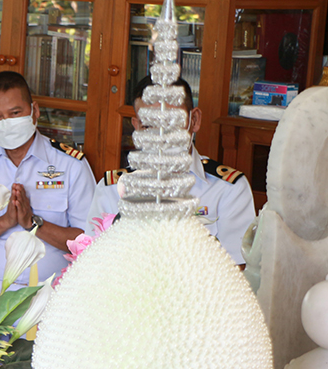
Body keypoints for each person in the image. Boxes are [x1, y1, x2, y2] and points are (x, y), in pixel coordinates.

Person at [0, 71, 96, 292]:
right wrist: (4, 222)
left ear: (34, 111)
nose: (7, 123)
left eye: (15, 113)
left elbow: (89, 241)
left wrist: (33, 222)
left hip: (52, 291)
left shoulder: (71, 165)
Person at [89, 76, 256, 265]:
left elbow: (237, 269)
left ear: (194, 120)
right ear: (137, 127)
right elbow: (92, 264)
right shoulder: (112, 188)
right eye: (149, 126)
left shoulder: (228, 189)